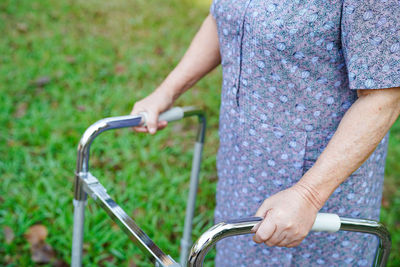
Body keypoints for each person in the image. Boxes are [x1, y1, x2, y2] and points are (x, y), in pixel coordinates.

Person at [131, 0, 400, 266]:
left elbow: (385, 97)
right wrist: (166, 92)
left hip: (317, 181)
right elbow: (223, 19)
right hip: (244, 161)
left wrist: (307, 195)